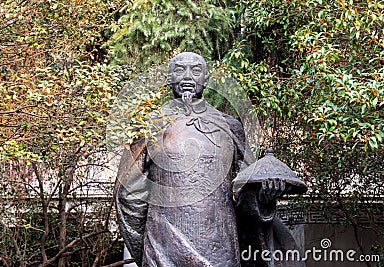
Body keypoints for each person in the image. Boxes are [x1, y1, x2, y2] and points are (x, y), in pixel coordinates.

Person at [115, 52, 303, 267]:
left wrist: (263, 199)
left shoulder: (230, 127)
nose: (187, 77)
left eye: (195, 71)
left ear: (205, 79)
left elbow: (244, 190)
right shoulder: (150, 125)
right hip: (163, 251)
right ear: (169, 79)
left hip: (220, 251)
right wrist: (147, 249)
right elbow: (128, 194)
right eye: (179, 70)